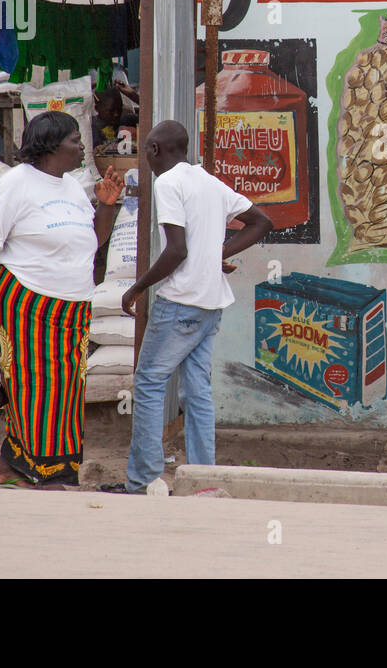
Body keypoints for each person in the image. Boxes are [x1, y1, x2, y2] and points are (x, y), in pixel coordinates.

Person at [103, 120, 271, 494]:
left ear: (155, 151)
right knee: (196, 389)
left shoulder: (168, 183)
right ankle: (203, 482)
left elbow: (176, 250)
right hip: (212, 303)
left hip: (181, 302)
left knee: (148, 384)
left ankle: (142, 480)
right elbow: (262, 222)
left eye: (146, 150)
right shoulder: (210, 182)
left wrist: (137, 288)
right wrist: (218, 253)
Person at [0, 111, 124, 488]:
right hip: (26, 303)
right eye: (74, 140)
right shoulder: (13, 186)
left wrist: (106, 205)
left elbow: (93, 242)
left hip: (73, 307)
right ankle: (43, 473)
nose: (82, 146)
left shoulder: (71, 186)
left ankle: (9, 467)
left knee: (68, 388)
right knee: (35, 387)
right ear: (52, 146)